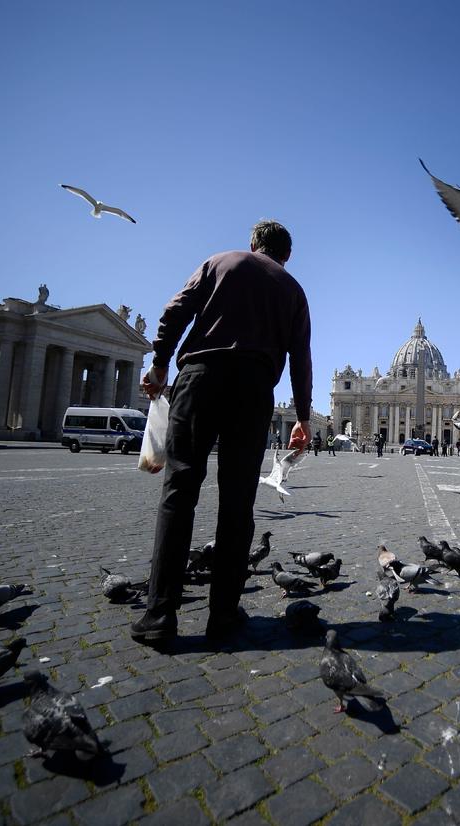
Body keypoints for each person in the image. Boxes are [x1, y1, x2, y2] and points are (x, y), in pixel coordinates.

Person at [131, 220, 312, 644]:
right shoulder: (293, 289)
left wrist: (160, 362)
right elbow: (301, 357)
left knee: (179, 491)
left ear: (253, 244)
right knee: (237, 504)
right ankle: (224, 616)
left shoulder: (220, 262)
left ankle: (160, 615)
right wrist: (302, 417)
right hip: (253, 391)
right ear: (286, 255)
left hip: (200, 377)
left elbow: (175, 310)